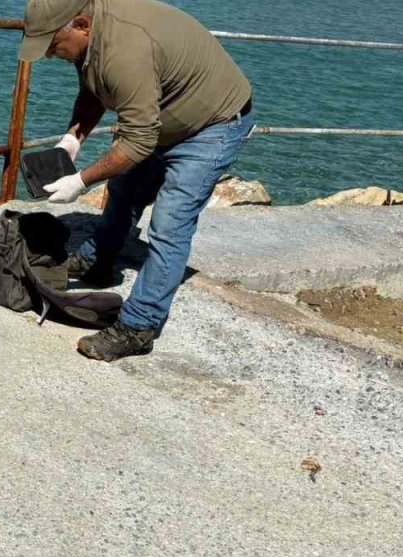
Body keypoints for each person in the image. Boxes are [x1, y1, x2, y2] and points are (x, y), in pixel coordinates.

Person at [19, 0, 254, 361]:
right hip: (160, 119)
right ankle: (98, 262)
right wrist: (72, 140)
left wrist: (80, 181)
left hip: (212, 126)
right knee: (125, 189)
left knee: (169, 224)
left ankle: (138, 327)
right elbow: (96, 89)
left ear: (81, 25)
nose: (50, 55)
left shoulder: (125, 48)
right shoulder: (92, 36)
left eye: (52, 46)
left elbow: (139, 139)